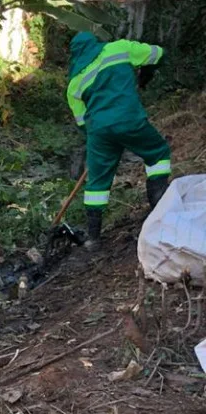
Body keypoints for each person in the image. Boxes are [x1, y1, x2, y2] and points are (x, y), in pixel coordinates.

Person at [67, 32, 170, 251]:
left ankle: (94, 239)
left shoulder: (74, 84)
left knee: (97, 183)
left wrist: (103, 136)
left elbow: (81, 122)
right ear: (95, 43)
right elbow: (158, 53)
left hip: (99, 130)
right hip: (130, 120)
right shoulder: (119, 48)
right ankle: (159, 207)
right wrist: (145, 76)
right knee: (158, 153)